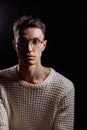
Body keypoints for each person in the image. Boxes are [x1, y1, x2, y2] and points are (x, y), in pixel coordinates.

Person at [0, 15, 75, 130]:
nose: (29, 49)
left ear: (43, 45)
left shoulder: (64, 88)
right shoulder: (1, 81)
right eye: (22, 42)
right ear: (15, 45)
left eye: (35, 41)